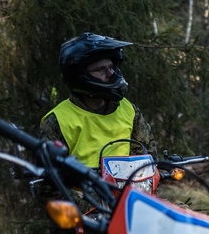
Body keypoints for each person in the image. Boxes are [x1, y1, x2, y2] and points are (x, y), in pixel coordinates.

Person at [40, 33, 152, 167]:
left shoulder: (128, 110)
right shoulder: (57, 120)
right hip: (81, 187)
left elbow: (147, 158)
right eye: (101, 69)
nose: (111, 74)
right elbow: (48, 179)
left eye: (111, 67)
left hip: (128, 186)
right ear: (78, 75)